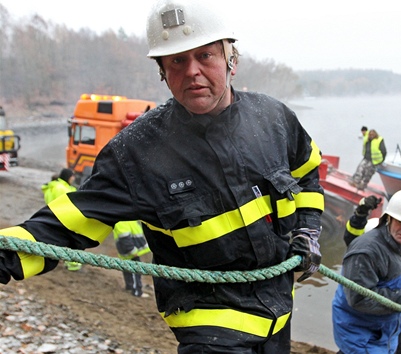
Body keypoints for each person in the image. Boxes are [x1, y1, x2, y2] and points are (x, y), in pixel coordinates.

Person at [0, 1, 324, 352]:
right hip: (208, 324)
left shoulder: (273, 119)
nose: (193, 71)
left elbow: (307, 174)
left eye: (205, 56)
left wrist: (308, 229)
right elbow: (67, 225)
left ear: (232, 59)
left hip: (278, 308)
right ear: (162, 72)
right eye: (177, 61)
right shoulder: (135, 153)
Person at [333, 188, 401, 353]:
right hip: (361, 332)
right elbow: (359, 299)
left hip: (385, 328)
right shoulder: (367, 251)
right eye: (400, 222)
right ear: (389, 219)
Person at [40, 168, 81, 271]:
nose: (73, 178)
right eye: (72, 176)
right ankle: (73, 265)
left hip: (54, 217)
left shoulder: (55, 186)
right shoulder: (61, 188)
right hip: (64, 219)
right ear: (68, 177)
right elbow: (70, 203)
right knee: (72, 241)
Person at [112, 221, 151, 297]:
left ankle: (130, 286)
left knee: (127, 268)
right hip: (131, 250)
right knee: (135, 271)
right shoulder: (122, 221)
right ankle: (137, 291)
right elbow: (124, 237)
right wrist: (132, 250)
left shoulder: (126, 219)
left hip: (130, 249)